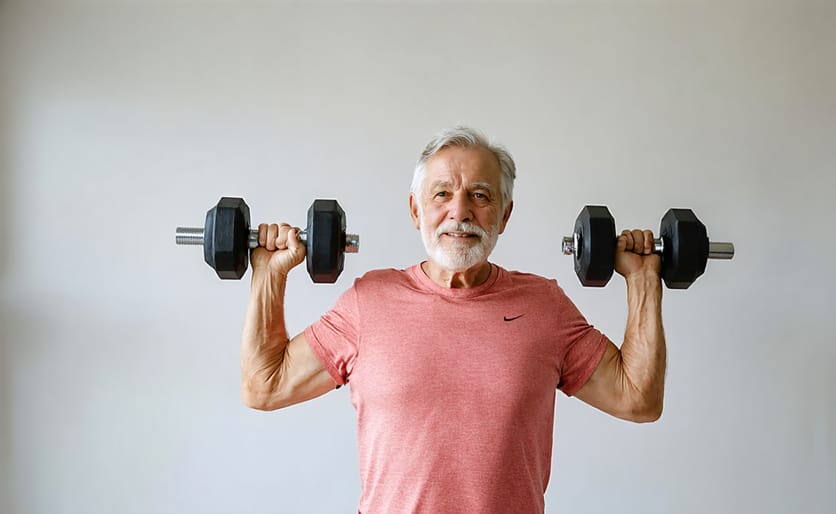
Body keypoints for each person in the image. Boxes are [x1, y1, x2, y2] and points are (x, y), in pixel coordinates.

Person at [240, 127, 666, 513]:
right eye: (441, 194)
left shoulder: (544, 307)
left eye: (480, 195)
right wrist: (269, 274)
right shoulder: (369, 302)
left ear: (505, 214)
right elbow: (265, 386)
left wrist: (645, 280)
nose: (459, 212)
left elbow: (638, 399)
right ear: (415, 210)